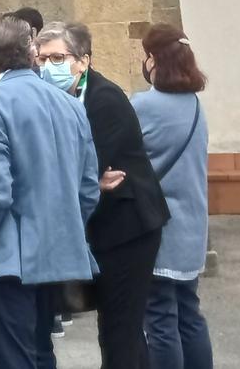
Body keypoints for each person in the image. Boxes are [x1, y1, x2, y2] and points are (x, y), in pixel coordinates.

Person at [0, 14, 99, 369]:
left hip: (8, 256)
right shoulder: (71, 104)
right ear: (32, 51)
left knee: (11, 356)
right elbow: (88, 189)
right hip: (55, 250)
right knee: (41, 351)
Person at [38, 23, 167, 369]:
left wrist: (87, 180)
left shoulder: (104, 98)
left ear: (83, 61)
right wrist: (89, 181)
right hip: (104, 229)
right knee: (120, 327)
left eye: (58, 57)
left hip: (129, 228)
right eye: (43, 58)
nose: (49, 66)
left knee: (118, 329)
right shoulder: (60, 98)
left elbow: (81, 163)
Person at [131, 25, 211, 369]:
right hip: (192, 225)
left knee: (160, 319)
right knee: (189, 314)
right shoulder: (195, 105)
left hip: (157, 226)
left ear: (154, 59)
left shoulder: (143, 105)